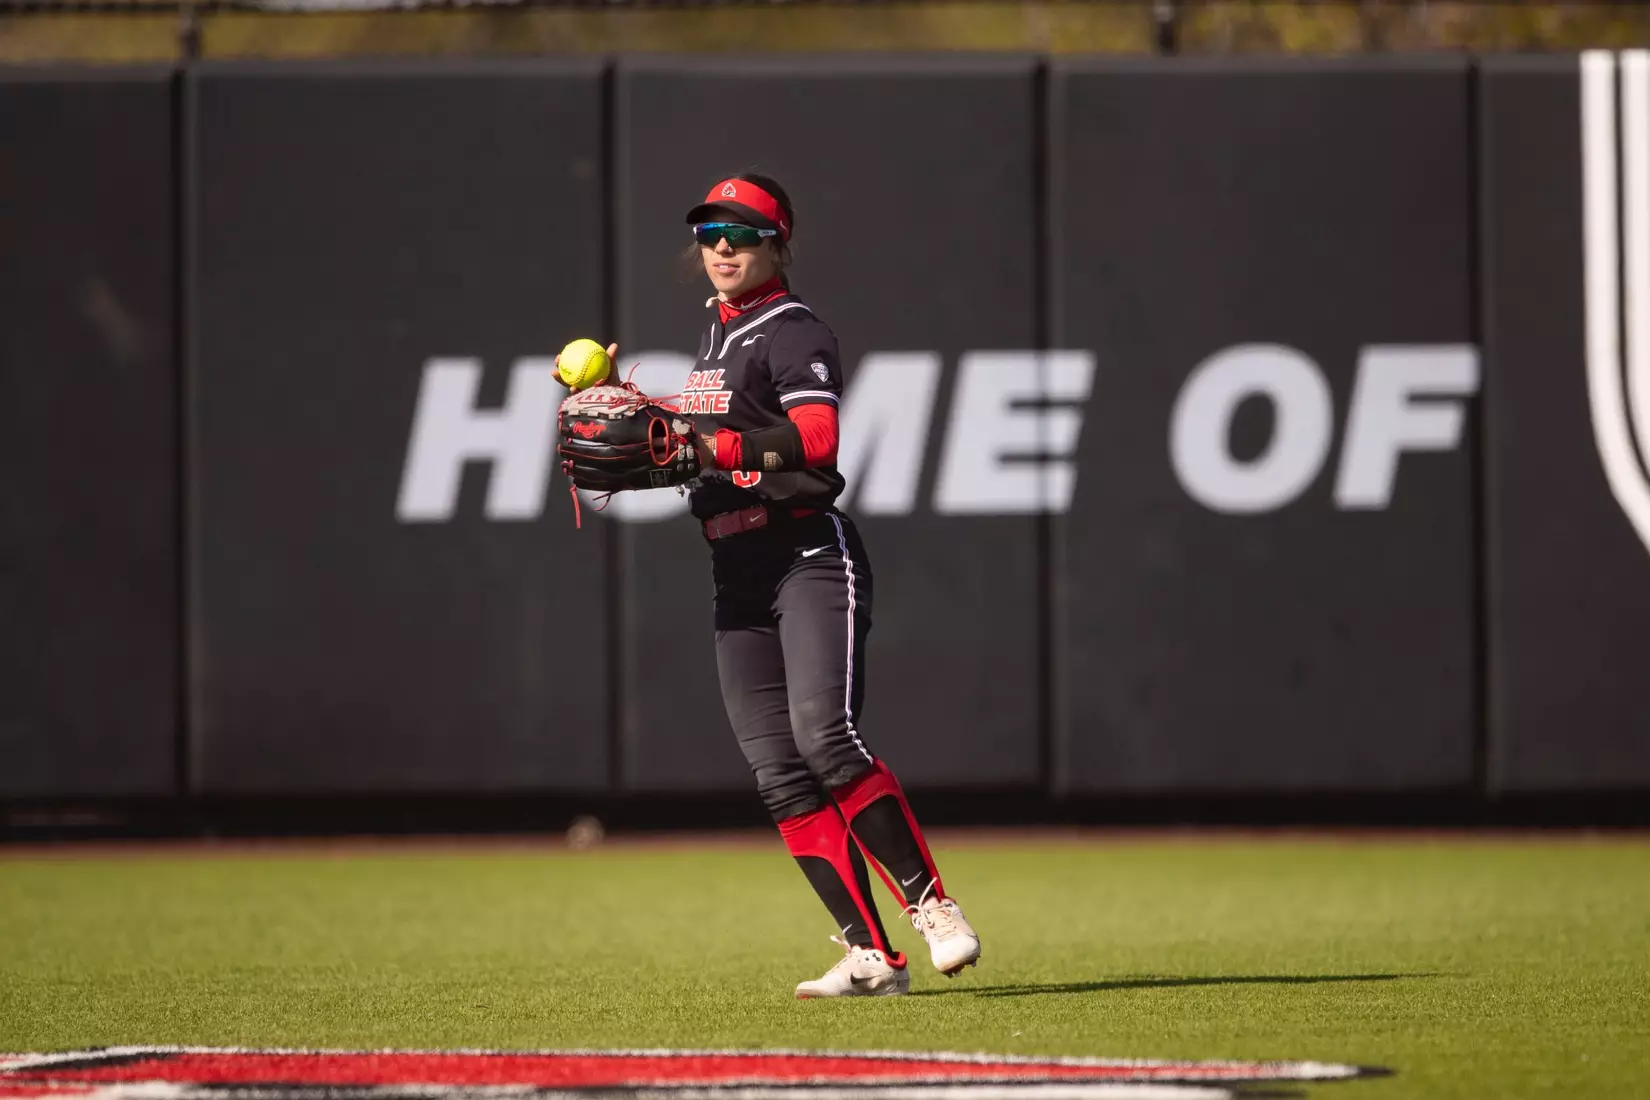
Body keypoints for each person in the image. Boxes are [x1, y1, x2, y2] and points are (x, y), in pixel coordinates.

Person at [564, 173, 980, 999]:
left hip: (806, 557)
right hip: (736, 571)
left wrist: (705, 448)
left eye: (743, 231)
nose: (722, 244)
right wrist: (630, 418)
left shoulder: (792, 329)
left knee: (826, 738)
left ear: (776, 242)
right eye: (711, 229)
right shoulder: (718, 339)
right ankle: (871, 956)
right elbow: (695, 452)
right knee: (779, 774)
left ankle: (932, 907)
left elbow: (816, 441)